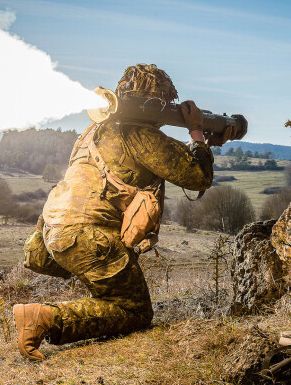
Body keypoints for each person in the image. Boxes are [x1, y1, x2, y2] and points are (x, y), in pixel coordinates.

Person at [15, 64, 232, 361]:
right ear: (160, 102)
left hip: (52, 235)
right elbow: (197, 177)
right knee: (134, 310)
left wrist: (202, 142)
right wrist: (196, 132)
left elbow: (149, 161)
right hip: (87, 238)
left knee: (113, 290)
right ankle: (44, 318)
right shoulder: (140, 134)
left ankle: (62, 314)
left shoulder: (93, 130)